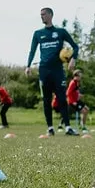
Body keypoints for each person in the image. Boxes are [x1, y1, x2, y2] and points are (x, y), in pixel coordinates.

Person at [26, 7, 79, 136]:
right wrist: (28, 66)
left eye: (43, 14)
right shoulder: (38, 33)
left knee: (62, 99)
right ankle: (50, 128)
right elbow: (32, 50)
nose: (41, 17)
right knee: (46, 99)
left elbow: (75, 46)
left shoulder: (60, 32)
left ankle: (67, 128)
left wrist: (73, 59)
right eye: (40, 15)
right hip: (44, 71)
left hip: (58, 71)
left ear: (50, 15)